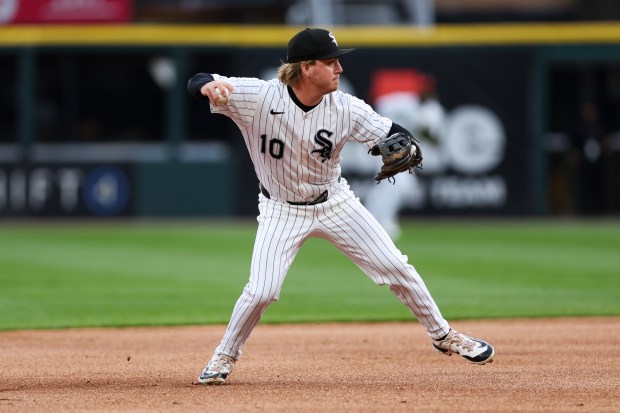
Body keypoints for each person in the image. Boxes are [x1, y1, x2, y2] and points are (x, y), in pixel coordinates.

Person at [187, 28, 495, 385]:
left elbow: (391, 130)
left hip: (335, 203)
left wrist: (404, 140)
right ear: (306, 68)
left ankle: (444, 335)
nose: (339, 69)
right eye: (331, 62)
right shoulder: (259, 96)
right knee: (262, 290)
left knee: (396, 266)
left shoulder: (345, 107)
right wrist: (209, 87)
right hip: (281, 210)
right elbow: (199, 79)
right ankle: (225, 355)